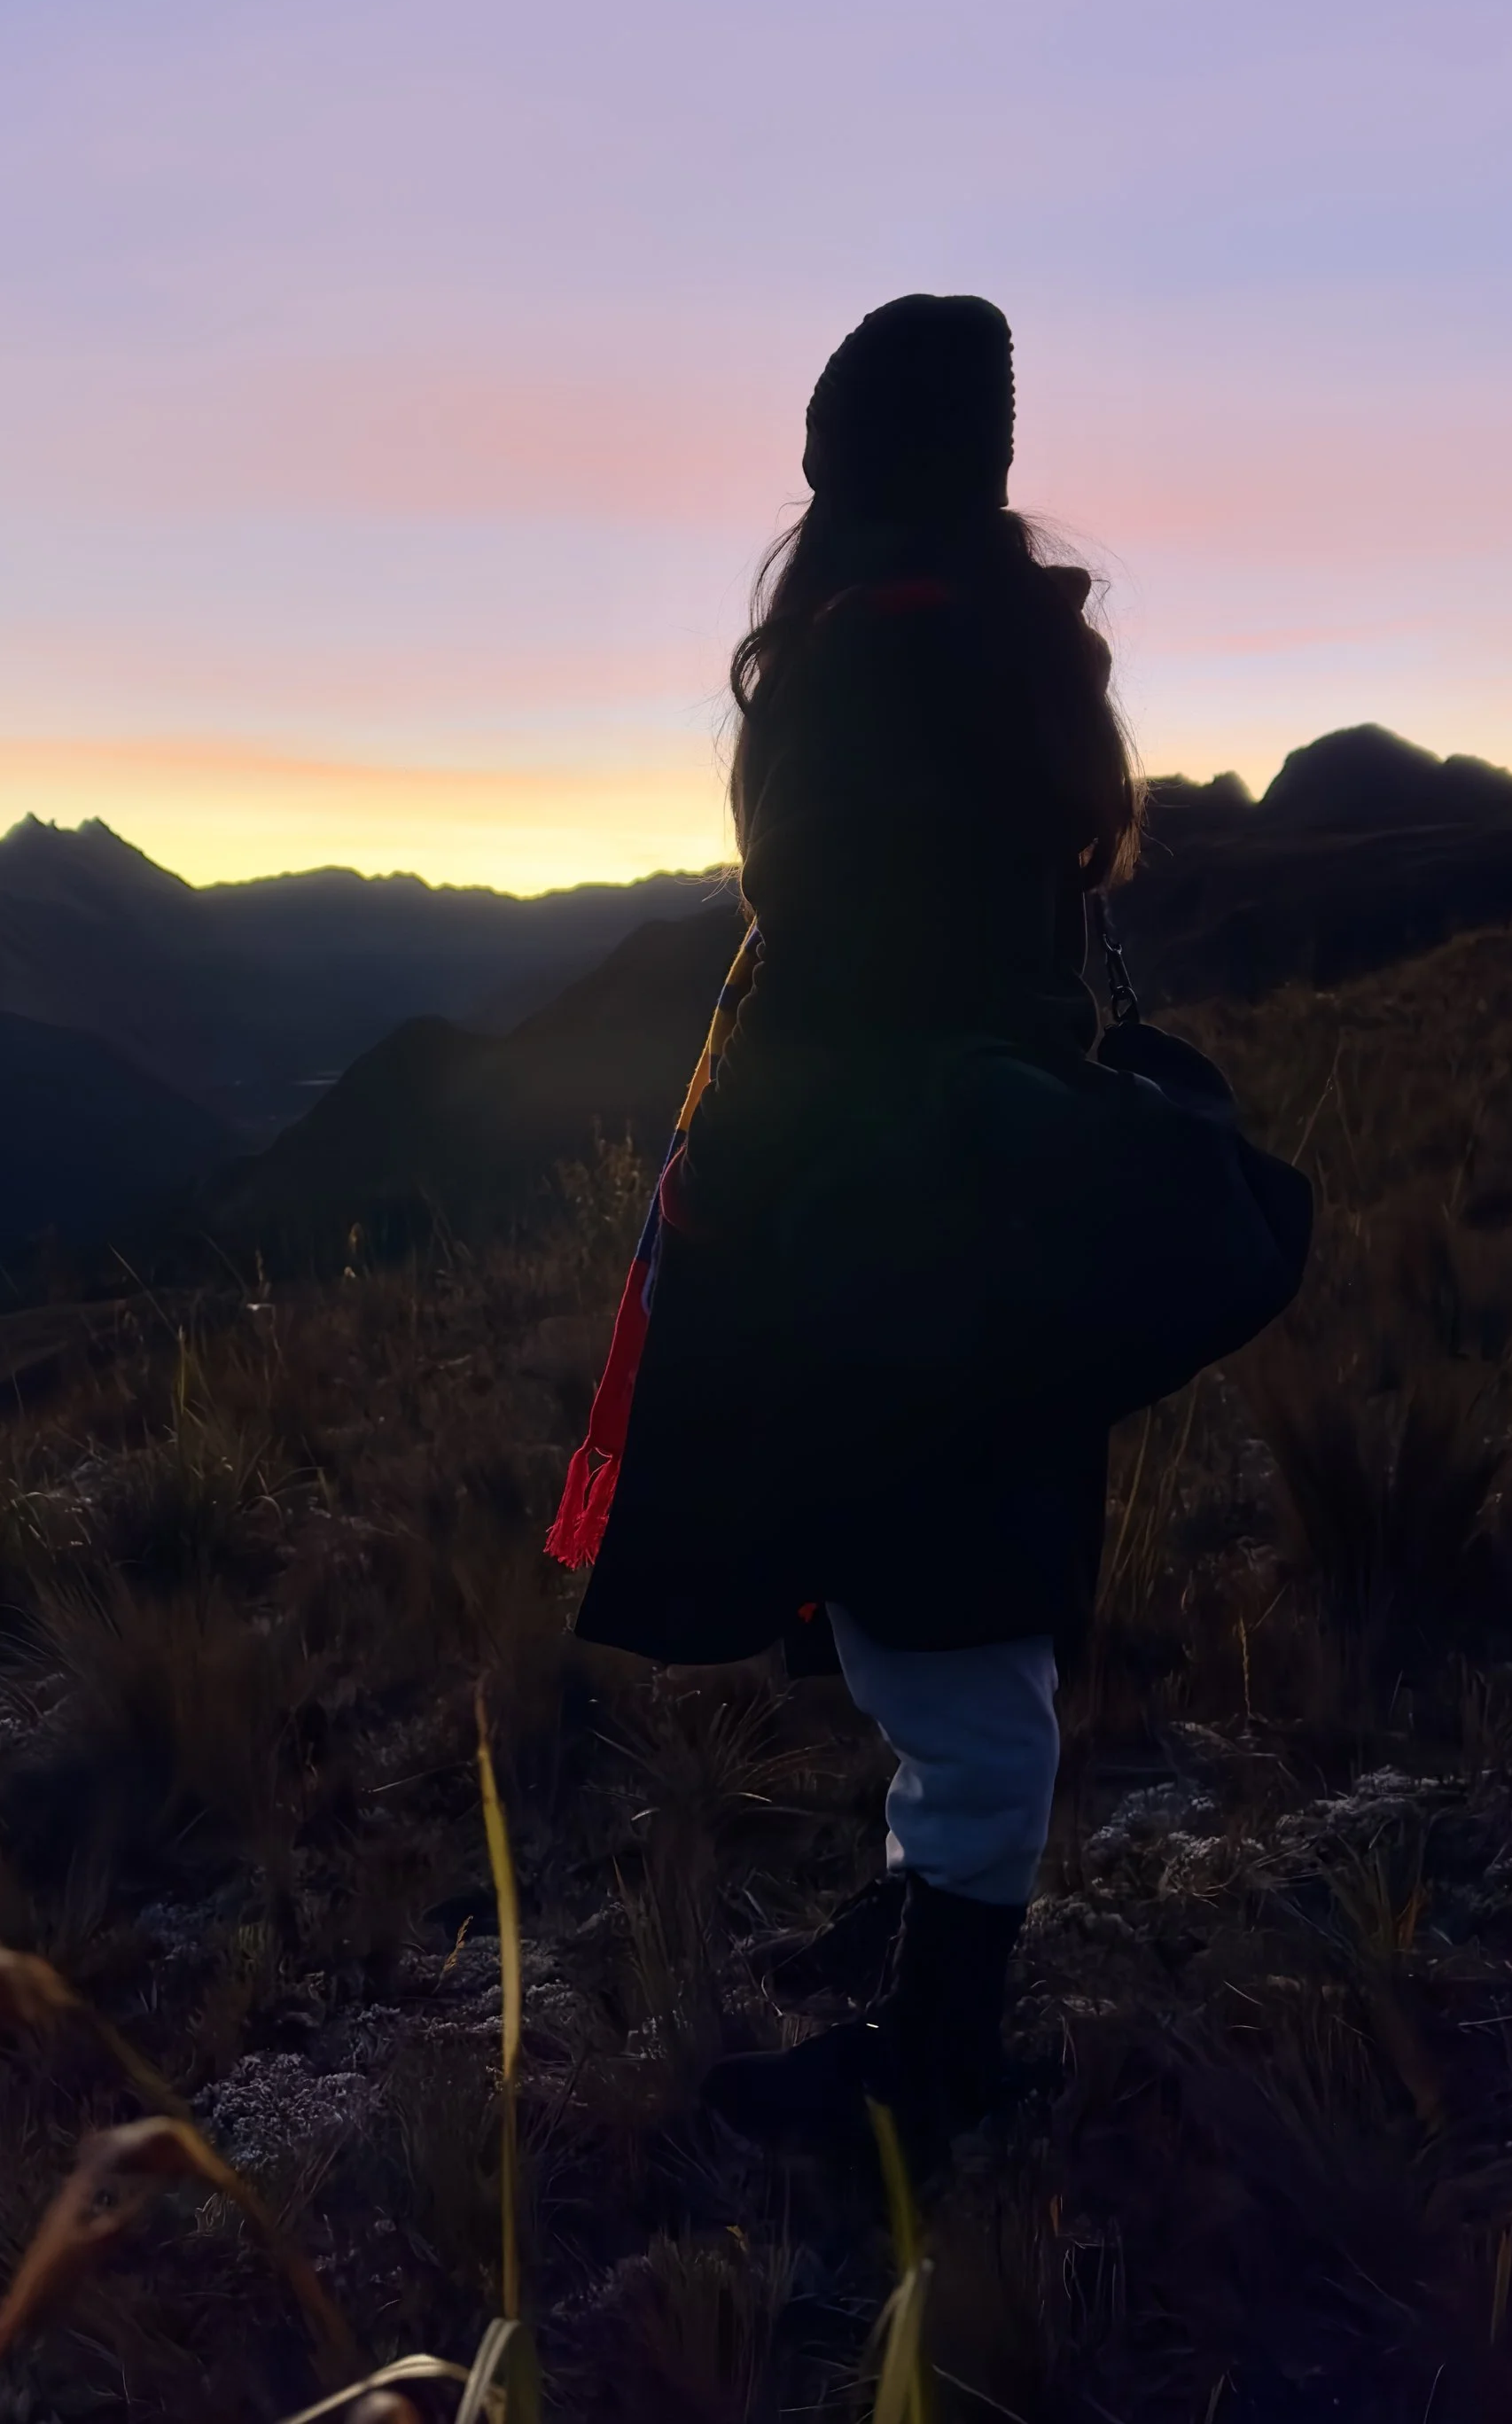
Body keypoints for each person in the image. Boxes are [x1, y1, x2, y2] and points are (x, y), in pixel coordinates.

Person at [551, 293, 1311, 2165]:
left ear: (844, 463)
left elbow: (834, 953)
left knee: (944, 1626)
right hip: (996, 1180)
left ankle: (937, 2049)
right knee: (952, 1588)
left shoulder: (874, 648)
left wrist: (738, 1171)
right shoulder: (1006, 642)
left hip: (890, 1202)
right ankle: (924, 1921)